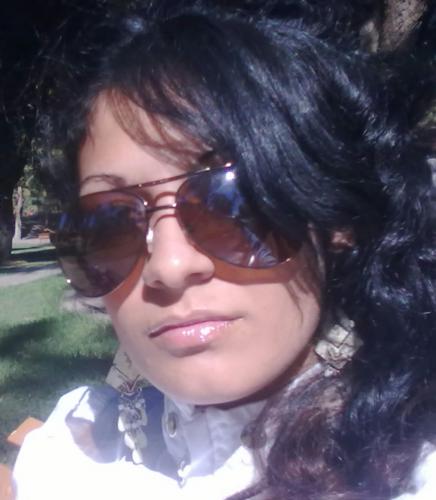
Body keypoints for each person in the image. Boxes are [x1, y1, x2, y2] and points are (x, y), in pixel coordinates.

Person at [12, 1, 436, 499]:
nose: (169, 265)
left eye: (235, 203)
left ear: (335, 218)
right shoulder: (75, 456)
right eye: (111, 223)